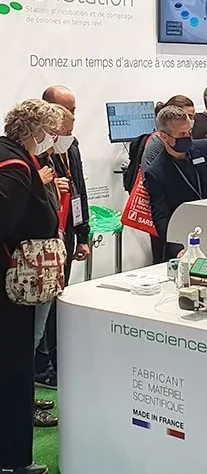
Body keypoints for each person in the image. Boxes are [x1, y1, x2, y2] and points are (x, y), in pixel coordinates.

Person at [0, 99, 61, 474]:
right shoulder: (16, 166)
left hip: (13, 285)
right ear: (36, 131)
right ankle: (14, 459)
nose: (54, 139)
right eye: (51, 132)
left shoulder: (11, 157)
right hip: (13, 288)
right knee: (14, 370)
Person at [34, 94, 90, 395]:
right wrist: (45, 185)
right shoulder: (34, 157)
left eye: (73, 112)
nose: (72, 118)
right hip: (41, 247)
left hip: (64, 236)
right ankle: (41, 366)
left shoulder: (71, 146)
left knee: (57, 301)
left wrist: (82, 234)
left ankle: (55, 358)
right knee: (40, 312)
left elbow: (80, 190)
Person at [143, 106, 207, 260]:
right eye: (181, 134)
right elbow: (162, 218)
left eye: (189, 132)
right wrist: (178, 249)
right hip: (187, 240)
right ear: (164, 136)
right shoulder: (156, 172)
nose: (187, 137)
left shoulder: (205, 149)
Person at [142, 95, 196, 171]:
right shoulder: (157, 142)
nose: (190, 120)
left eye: (192, 117)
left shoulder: (187, 135)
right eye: (188, 116)